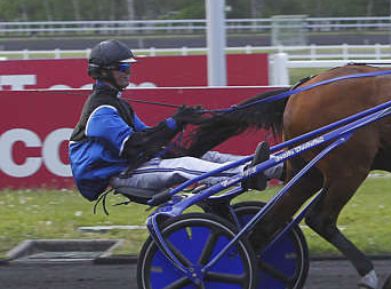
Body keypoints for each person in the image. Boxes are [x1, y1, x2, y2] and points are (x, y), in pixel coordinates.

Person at [68, 40, 282, 203]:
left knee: (207, 156)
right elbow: (136, 145)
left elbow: (150, 138)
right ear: (104, 72)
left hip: (133, 167)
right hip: (121, 176)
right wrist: (174, 122)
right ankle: (247, 174)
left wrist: (179, 123)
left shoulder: (116, 103)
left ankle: (275, 167)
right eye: (123, 68)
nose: (128, 73)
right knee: (185, 164)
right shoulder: (100, 112)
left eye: (129, 68)